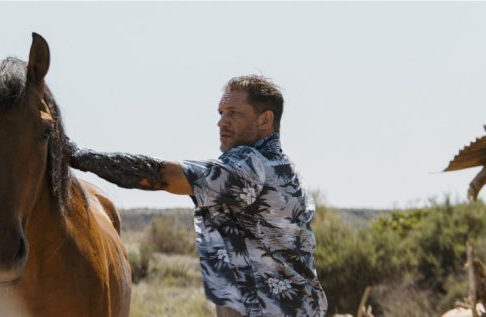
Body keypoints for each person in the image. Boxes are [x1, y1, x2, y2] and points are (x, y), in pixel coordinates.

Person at [69, 75, 327, 317]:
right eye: (221, 113)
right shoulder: (284, 169)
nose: (222, 122)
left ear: (265, 120)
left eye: (234, 113)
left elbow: (165, 176)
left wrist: (79, 157)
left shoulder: (251, 165)